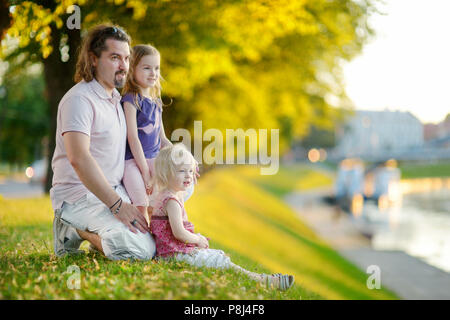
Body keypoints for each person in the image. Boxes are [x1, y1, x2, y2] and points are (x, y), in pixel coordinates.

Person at [50, 24, 155, 260]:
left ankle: (102, 235)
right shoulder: (79, 99)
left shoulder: (118, 100)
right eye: (115, 57)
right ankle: (72, 227)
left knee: (153, 244)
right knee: (136, 252)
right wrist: (118, 206)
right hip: (78, 196)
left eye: (127, 58)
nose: (124, 66)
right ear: (93, 59)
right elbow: (79, 158)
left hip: (113, 191)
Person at [150, 143, 295, 291]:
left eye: (190, 170)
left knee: (216, 256)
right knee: (219, 260)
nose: (188, 175)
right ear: (166, 173)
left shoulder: (168, 195)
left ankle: (263, 279)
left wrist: (196, 240)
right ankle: (263, 281)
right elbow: (179, 233)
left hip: (173, 251)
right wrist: (197, 239)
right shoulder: (171, 201)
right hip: (173, 255)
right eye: (182, 171)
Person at [120, 44, 196, 226]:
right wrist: (145, 172)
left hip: (155, 159)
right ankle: (141, 236)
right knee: (140, 199)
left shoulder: (156, 102)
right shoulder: (131, 100)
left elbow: (162, 139)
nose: (153, 73)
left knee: (160, 199)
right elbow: (133, 137)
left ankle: (161, 235)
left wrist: (185, 159)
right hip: (133, 161)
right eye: (146, 68)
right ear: (132, 70)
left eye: (156, 68)